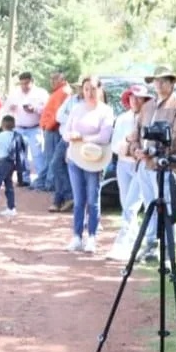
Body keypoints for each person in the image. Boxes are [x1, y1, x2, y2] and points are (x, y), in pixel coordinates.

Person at [129, 67, 176, 263]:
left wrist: (158, 156)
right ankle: (150, 246)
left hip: (163, 165)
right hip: (144, 165)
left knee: (166, 207)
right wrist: (136, 150)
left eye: (164, 81)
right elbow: (136, 133)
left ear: (172, 83)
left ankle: (167, 249)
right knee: (149, 205)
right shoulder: (147, 106)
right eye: (157, 81)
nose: (160, 84)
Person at [60, 77, 114, 252]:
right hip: (75, 157)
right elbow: (65, 132)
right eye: (86, 89)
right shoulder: (76, 109)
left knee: (93, 199)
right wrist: (71, 136)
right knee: (78, 200)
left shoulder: (105, 111)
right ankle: (76, 236)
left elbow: (105, 136)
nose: (89, 93)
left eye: (92, 89)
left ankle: (92, 236)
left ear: (99, 90)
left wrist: (83, 138)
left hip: (95, 159)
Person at [109, 84, 153, 261]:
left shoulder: (150, 118)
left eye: (139, 97)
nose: (135, 100)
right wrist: (127, 148)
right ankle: (133, 244)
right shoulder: (122, 119)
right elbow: (114, 144)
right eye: (132, 97)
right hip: (123, 165)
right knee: (126, 204)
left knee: (131, 205)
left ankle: (121, 245)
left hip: (141, 165)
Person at [5, 72, 48, 188]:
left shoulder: (41, 93)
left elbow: (47, 110)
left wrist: (35, 109)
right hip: (19, 127)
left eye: (26, 83)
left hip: (34, 127)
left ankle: (41, 179)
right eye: (22, 84)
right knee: (21, 155)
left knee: (37, 155)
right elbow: (6, 107)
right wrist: (11, 108)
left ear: (32, 82)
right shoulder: (15, 94)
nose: (24, 86)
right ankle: (24, 179)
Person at [37, 71, 74, 207]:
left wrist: (49, 126)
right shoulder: (58, 91)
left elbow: (58, 113)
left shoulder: (64, 91)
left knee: (53, 159)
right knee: (50, 158)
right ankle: (46, 182)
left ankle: (50, 184)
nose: (51, 81)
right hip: (49, 127)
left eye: (55, 78)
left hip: (52, 129)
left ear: (62, 79)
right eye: (51, 78)